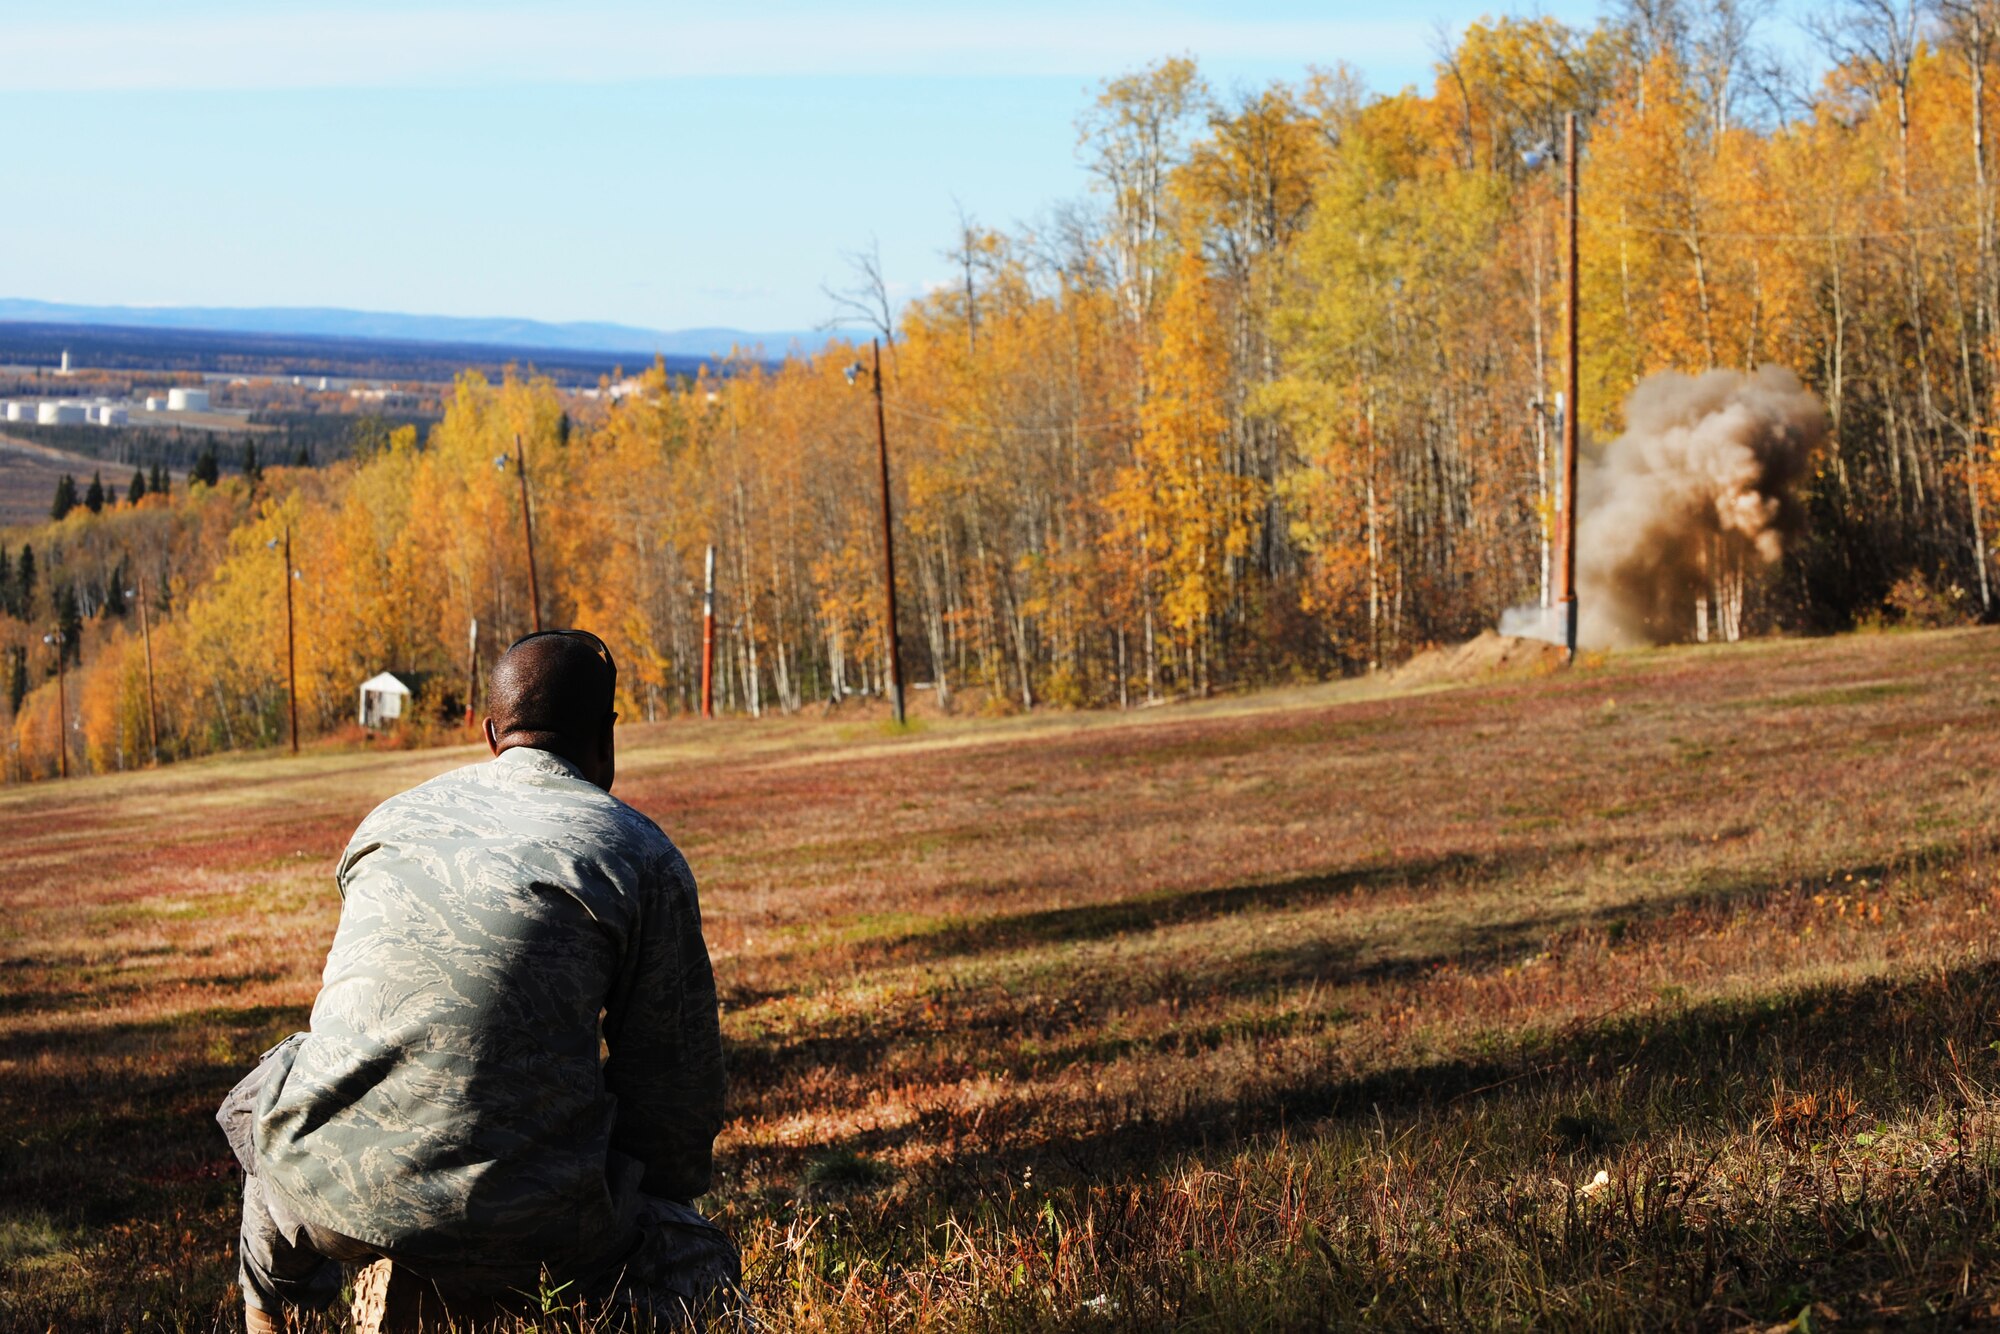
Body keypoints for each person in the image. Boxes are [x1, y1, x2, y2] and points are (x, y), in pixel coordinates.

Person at [216, 630, 735, 1331]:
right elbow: (673, 1098)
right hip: (538, 1229)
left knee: (278, 1088)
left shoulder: (388, 822)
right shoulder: (639, 855)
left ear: (491, 733)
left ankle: (269, 1311)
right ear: (605, 737)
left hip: (330, 1204)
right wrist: (641, 1201)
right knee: (697, 1260)